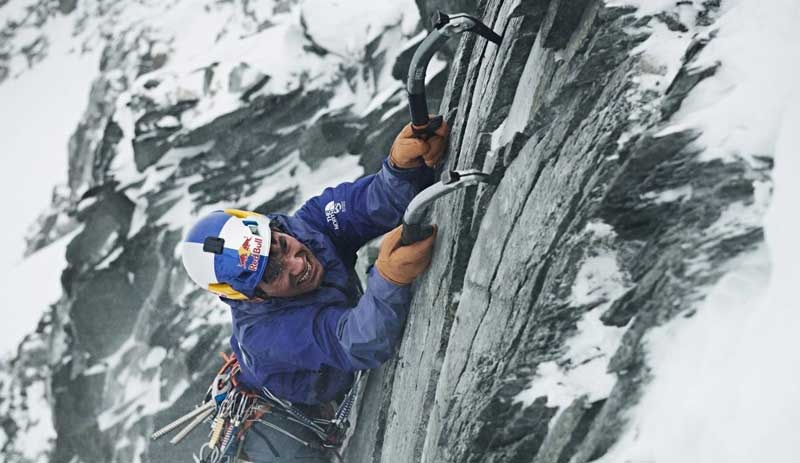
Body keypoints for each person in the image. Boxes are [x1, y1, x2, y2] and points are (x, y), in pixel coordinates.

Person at [180, 120, 448, 461]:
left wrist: (402, 168)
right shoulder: (267, 334)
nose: (296, 263)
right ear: (255, 296)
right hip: (296, 413)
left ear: (273, 227)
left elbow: (370, 202)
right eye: (272, 272)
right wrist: (388, 277)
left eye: (278, 245)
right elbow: (360, 341)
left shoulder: (305, 226)